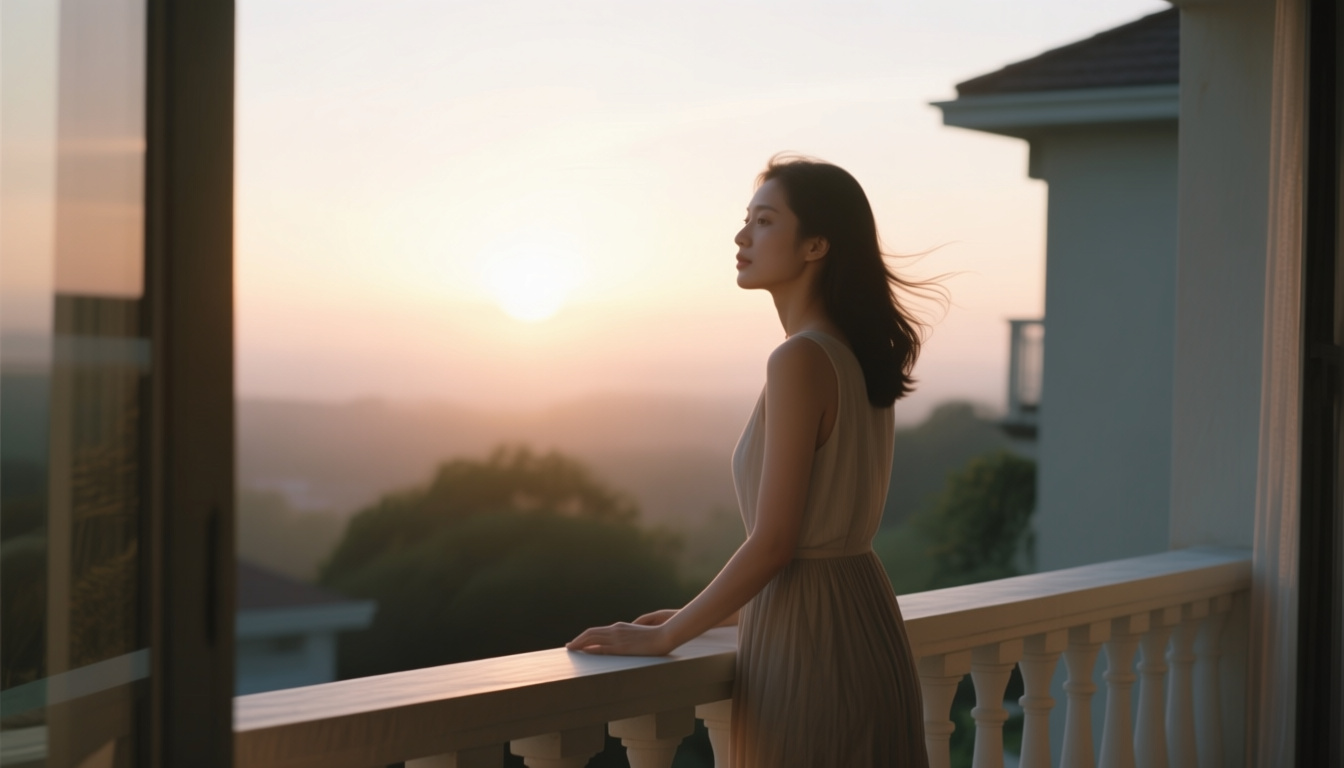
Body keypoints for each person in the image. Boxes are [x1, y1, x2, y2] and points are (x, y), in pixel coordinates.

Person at [567, 156, 931, 767]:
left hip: (811, 649)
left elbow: (777, 543)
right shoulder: (855, 353)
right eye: (747, 220)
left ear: (816, 244)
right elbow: (819, 537)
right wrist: (704, 613)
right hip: (861, 623)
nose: (742, 237)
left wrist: (667, 635)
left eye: (764, 221)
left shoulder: (800, 359)